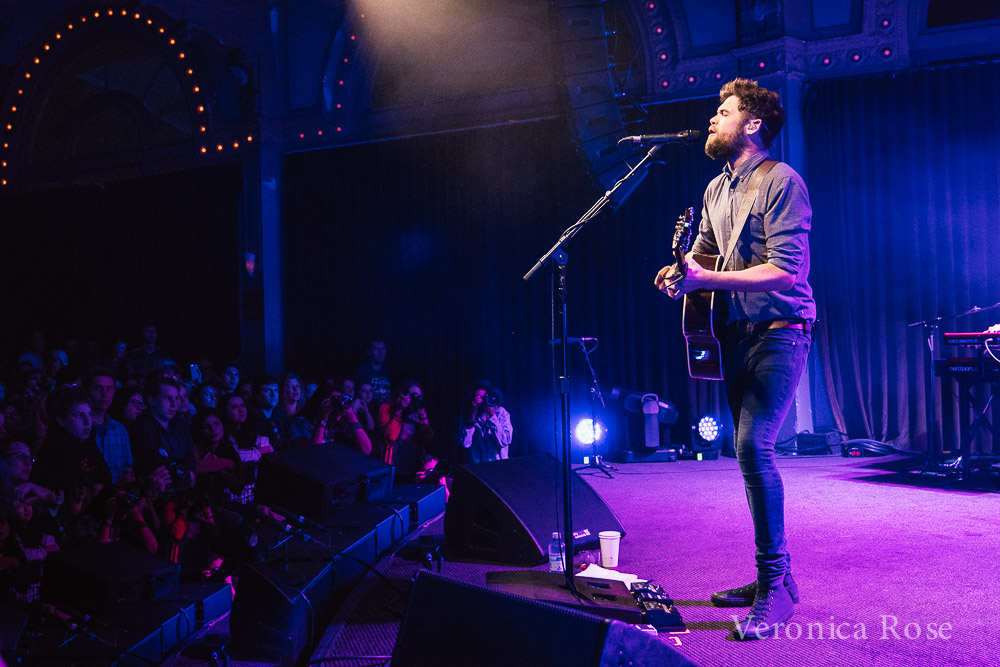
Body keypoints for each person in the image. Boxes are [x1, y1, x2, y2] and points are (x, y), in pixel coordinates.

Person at [654, 78, 815, 640]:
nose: (711, 120)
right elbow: (703, 253)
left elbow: (787, 270)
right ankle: (776, 578)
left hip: (780, 331)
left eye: (723, 112)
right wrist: (682, 272)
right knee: (747, 457)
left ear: (752, 125)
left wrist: (707, 276)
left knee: (754, 446)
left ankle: (774, 587)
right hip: (735, 334)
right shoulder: (715, 189)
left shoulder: (781, 182)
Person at [85, 368, 134, 484]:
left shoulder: (120, 430)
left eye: (109, 389)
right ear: (88, 391)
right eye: (98, 388)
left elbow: (128, 468)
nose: (104, 394)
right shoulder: (81, 427)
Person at [379, 380, 434, 483]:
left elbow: (428, 438)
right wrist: (399, 410)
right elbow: (390, 436)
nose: (415, 399)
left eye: (418, 396)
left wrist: (423, 415)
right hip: (394, 468)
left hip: (414, 467)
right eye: (413, 396)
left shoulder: (418, 412)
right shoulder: (387, 409)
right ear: (403, 395)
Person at [457, 381, 513, 463]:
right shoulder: (465, 416)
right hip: (478, 468)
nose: (481, 401)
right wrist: (473, 414)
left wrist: (492, 415)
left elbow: (505, 441)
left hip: (500, 465)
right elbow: (465, 443)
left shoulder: (501, 413)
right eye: (477, 397)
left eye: (484, 397)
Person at [355, 339, 391, 406]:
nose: (380, 352)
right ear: (369, 352)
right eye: (376, 349)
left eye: (383, 349)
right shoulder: (363, 370)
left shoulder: (387, 371)